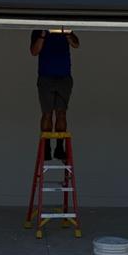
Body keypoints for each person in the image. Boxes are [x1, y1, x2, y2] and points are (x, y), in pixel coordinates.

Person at [30, 28, 80, 161]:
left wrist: (67, 33)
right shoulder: (39, 29)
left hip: (64, 77)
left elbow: (76, 44)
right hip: (46, 77)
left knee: (61, 113)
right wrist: (43, 35)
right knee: (47, 113)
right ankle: (46, 147)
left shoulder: (64, 28)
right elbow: (34, 52)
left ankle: (59, 147)